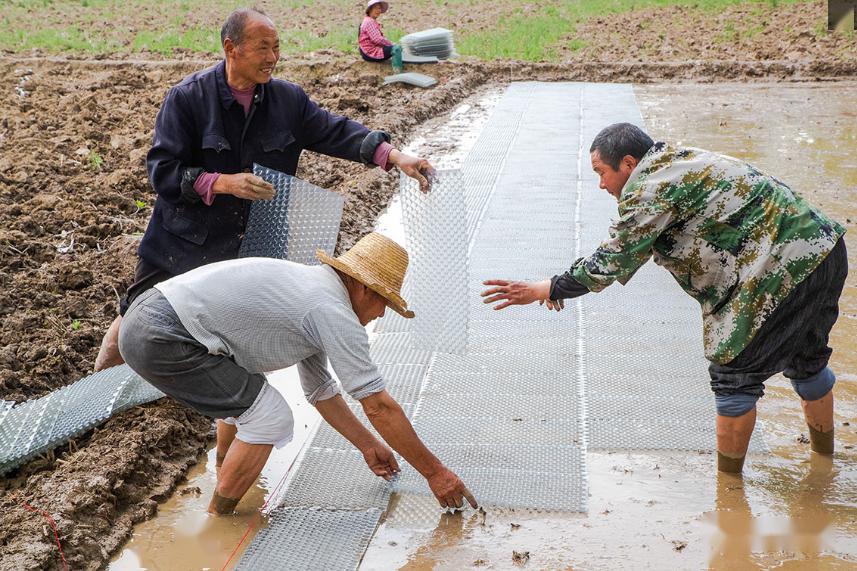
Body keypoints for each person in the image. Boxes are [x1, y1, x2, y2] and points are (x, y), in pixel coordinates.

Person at [481, 122, 847, 474]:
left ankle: (730, 497)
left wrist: (548, 287)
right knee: (806, 359)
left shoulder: (650, 187)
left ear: (628, 163)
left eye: (601, 172)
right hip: (824, 249)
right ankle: (823, 467)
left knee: (732, 375)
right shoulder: (677, 161)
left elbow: (615, 257)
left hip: (781, 268)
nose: (600, 184)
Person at [93, 7, 432, 372]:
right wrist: (223, 183)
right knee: (137, 315)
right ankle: (98, 388)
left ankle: (212, 401)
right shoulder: (188, 98)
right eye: (262, 48)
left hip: (253, 243)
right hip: (184, 242)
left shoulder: (287, 100)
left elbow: (335, 131)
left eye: (277, 47)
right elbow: (163, 172)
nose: (272, 58)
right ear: (231, 48)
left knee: (233, 328)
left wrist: (395, 156)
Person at [119, 232, 478, 514]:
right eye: (384, 301)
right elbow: (378, 407)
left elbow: (320, 389)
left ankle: (225, 472)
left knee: (248, 396)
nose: (382, 314)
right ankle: (219, 517)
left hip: (145, 319)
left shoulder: (313, 288)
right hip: (164, 335)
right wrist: (436, 473)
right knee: (270, 417)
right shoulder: (331, 311)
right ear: (365, 288)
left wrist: (367, 445)